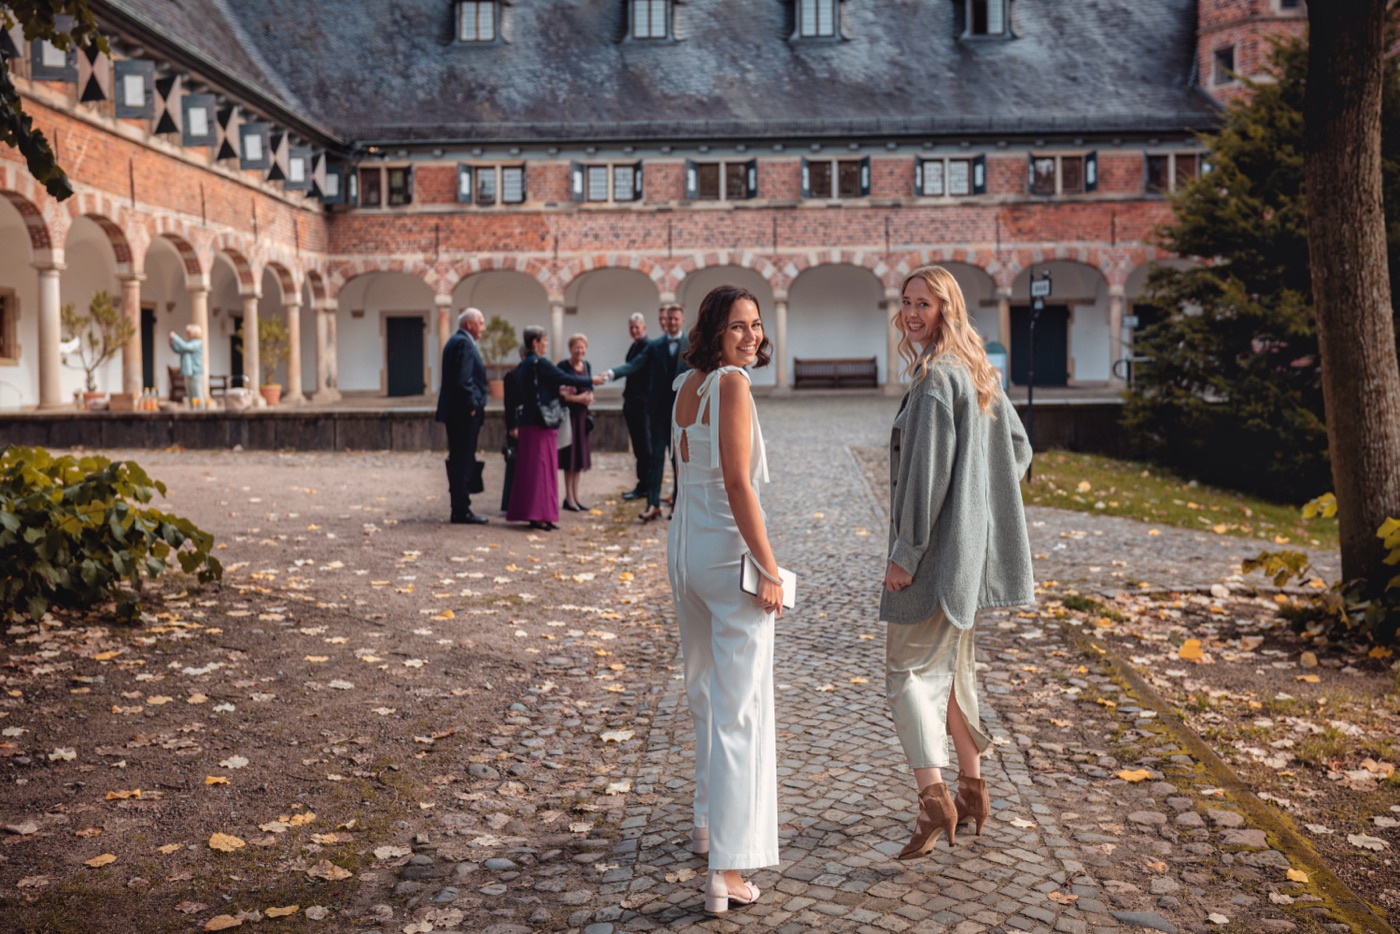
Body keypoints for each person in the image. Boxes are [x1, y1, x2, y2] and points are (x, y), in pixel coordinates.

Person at [881, 265, 1034, 859]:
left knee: (907, 673)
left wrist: (905, 556)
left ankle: (933, 797)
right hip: (965, 561)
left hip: (935, 560)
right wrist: (980, 507)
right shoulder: (977, 371)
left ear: (948, 308)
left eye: (925, 303)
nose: (912, 313)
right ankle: (972, 790)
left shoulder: (937, 380)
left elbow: (923, 480)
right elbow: (1019, 452)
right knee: (954, 676)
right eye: (906, 302)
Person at [668, 285, 783, 915]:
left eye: (757, 326)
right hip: (723, 553)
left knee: (707, 697)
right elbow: (739, 485)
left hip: (685, 551)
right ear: (715, 332)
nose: (751, 337)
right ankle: (728, 872)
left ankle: (708, 824)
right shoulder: (731, 385)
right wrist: (768, 566)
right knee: (739, 709)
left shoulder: (685, 386)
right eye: (738, 326)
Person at [596, 303, 688, 522]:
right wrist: (610, 374)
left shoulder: (691, 345)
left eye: (676, 319)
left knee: (679, 463)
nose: (673, 322)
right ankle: (653, 504)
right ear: (665, 321)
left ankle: (678, 503)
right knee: (656, 459)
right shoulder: (655, 346)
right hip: (657, 414)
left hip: (683, 414)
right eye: (670, 319)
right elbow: (634, 365)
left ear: (682, 320)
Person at [507, 326, 593, 531]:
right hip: (539, 422)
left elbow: (542, 388)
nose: (547, 344)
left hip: (536, 423)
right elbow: (565, 377)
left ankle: (544, 514)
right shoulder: (538, 362)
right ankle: (538, 515)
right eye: (545, 341)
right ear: (535, 343)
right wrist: (593, 380)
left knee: (543, 470)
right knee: (540, 471)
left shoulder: (528, 363)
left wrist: (559, 390)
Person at [434, 308, 489, 525]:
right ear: (469, 324)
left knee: (459, 458)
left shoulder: (455, 341)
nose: (483, 329)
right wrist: (473, 405)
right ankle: (461, 509)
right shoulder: (464, 344)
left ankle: (460, 506)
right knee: (462, 460)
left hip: (456, 413)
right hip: (463, 414)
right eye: (481, 323)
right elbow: (464, 379)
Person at [557, 333, 596, 512]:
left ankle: (576, 496)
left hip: (582, 418)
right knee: (570, 459)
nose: (580, 350)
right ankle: (568, 497)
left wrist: (589, 397)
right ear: (570, 348)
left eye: (582, 347)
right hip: (569, 418)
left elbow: (590, 387)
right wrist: (578, 398)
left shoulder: (587, 365)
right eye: (576, 347)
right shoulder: (563, 366)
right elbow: (561, 395)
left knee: (579, 459)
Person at [620, 312, 652, 501]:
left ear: (644, 328)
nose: (634, 330)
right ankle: (643, 484)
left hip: (642, 404)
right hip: (632, 402)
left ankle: (645, 486)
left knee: (644, 447)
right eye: (631, 327)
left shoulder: (646, 346)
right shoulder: (635, 345)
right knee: (639, 447)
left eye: (637, 327)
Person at [500, 345, 526, 514]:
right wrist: (512, 427)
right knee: (513, 463)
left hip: (532, 424)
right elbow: (509, 405)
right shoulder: (512, 376)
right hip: (517, 424)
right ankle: (509, 503)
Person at [169, 324, 205, 403]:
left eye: (189, 332)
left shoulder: (197, 343)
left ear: (194, 333)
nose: (187, 334)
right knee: (190, 394)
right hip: (188, 372)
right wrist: (172, 344)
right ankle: (193, 412)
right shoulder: (189, 342)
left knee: (197, 393)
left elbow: (185, 347)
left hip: (195, 372)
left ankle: (201, 411)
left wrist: (175, 337)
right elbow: (179, 350)